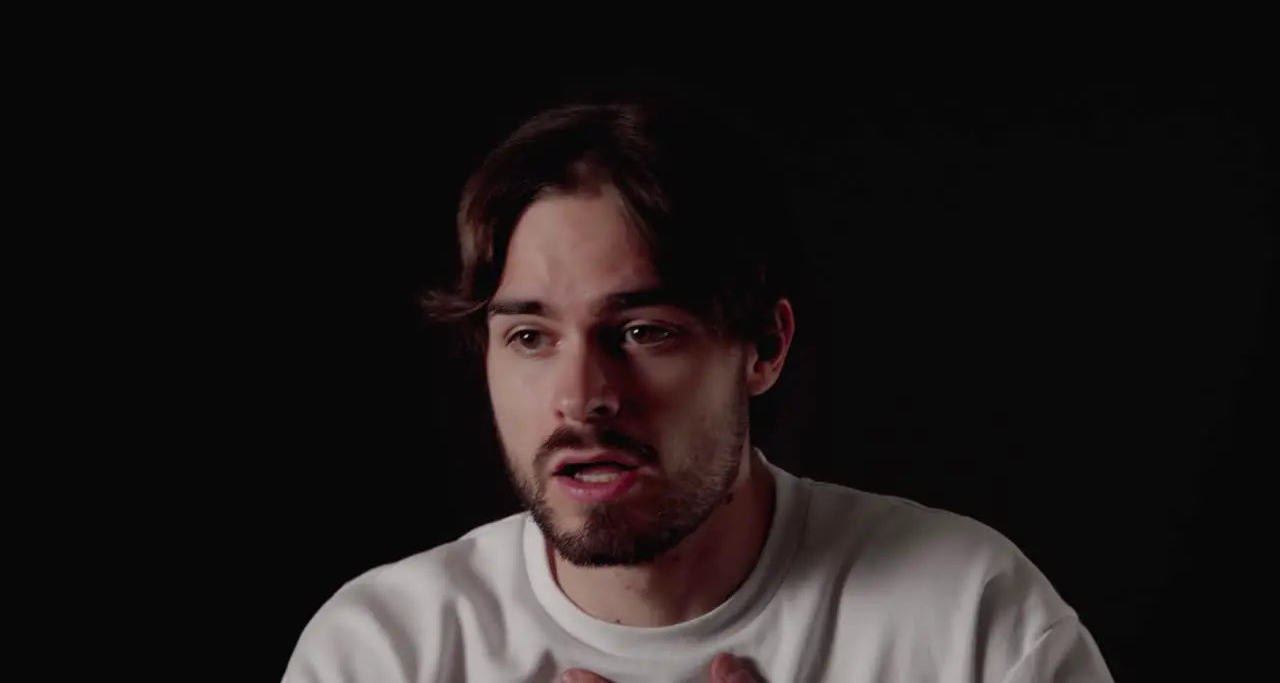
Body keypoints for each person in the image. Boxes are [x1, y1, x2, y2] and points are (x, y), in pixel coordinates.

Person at [282, 89, 1114, 682]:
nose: (583, 396)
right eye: (531, 337)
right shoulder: (380, 652)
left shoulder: (971, 619)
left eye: (644, 332)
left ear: (763, 346)